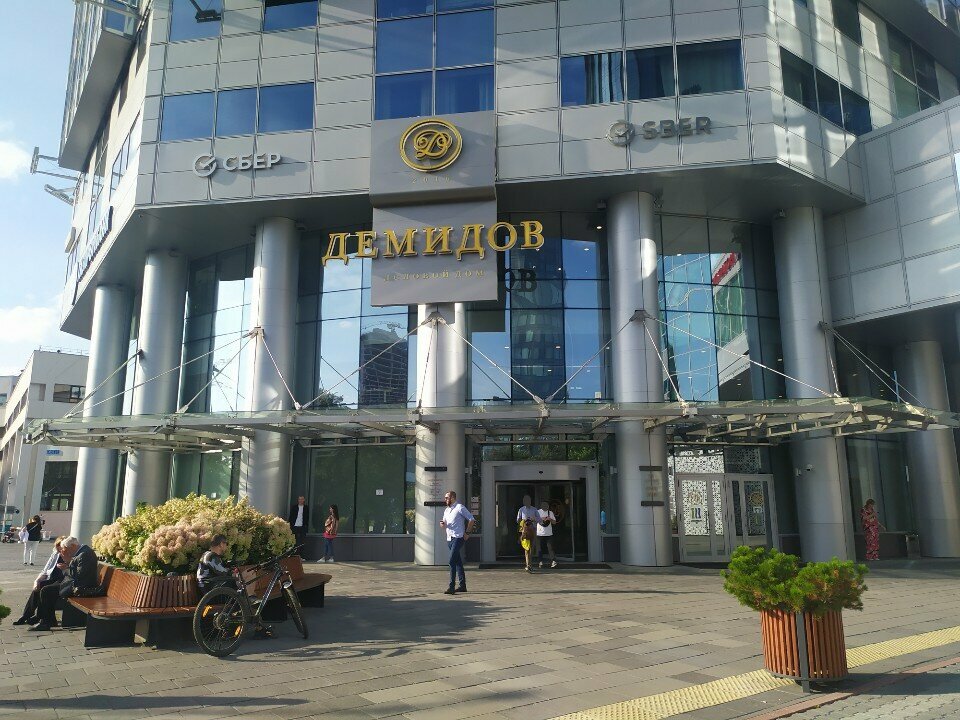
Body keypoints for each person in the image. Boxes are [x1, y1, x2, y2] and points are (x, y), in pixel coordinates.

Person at [31, 537, 101, 631]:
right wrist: (68, 564)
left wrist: (66, 567)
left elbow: (79, 576)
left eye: (66, 548)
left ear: (73, 546)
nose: (65, 551)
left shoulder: (84, 554)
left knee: (46, 591)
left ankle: (46, 622)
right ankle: (46, 619)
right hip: (75, 584)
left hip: (81, 588)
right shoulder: (82, 552)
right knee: (45, 588)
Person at [14, 537, 66, 626]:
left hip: (61, 580)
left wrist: (66, 566)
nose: (59, 549)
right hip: (52, 579)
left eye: (60, 546)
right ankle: (27, 615)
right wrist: (37, 581)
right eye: (57, 546)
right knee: (38, 586)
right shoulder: (55, 554)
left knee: (45, 589)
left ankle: (39, 616)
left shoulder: (68, 555)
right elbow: (45, 570)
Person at [440, 490, 475, 595]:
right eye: (445, 498)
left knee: (451, 561)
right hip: (449, 539)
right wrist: (442, 524)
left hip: (458, 538)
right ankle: (462, 585)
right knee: (458, 562)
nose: (445, 499)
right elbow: (444, 523)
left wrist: (467, 533)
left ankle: (451, 587)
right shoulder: (447, 510)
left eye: (447, 498)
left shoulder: (460, 507)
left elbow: (471, 519)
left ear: (452, 498)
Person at [516, 496, 539, 573]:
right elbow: (517, 520)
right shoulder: (521, 509)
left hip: (533, 530)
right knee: (527, 548)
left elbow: (539, 519)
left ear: (530, 501)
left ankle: (530, 565)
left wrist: (534, 519)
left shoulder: (534, 509)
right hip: (525, 530)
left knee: (532, 548)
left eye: (528, 500)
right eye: (525, 501)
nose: (526, 502)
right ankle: (528, 565)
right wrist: (523, 520)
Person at [536, 501, 557, 569]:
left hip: (549, 534)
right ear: (541, 506)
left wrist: (549, 519)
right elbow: (534, 520)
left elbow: (554, 522)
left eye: (546, 505)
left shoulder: (550, 513)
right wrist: (542, 518)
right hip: (539, 534)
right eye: (544, 505)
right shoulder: (538, 512)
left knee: (550, 548)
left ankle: (553, 561)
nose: (545, 506)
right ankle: (540, 562)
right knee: (540, 549)